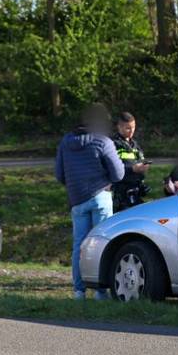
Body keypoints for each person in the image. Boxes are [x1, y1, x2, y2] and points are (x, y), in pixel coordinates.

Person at [55, 102, 124, 300]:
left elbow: (59, 174)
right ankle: (101, 291)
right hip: (100, 196)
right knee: (102, 243)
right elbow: (118, 174)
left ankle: (79, 291)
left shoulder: (65, 141)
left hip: (76, 200)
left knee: (79, 245)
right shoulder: (103, 141)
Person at [110, 111, 150, 211]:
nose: (132, 131)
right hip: (122, 193)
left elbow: (141, 159)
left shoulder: (134, 144)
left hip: (136, 192)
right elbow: (111, 168)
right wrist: (132, 169)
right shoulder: (113, 145)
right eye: (128, 128)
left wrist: (144, 167)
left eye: (133, 127)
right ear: (119, 127)